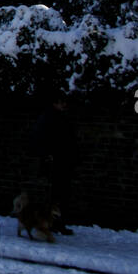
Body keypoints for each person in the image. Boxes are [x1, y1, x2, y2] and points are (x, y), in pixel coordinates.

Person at [31, 91, 78, 235]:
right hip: (55, 162)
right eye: (61, 102)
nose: (64, 105)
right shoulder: (49, 118)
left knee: (60, 194)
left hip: (62, 161)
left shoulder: (58, 118)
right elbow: (41, 139)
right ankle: (50, 223)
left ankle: (56, 222)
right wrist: (47, 155)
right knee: (54, 195)